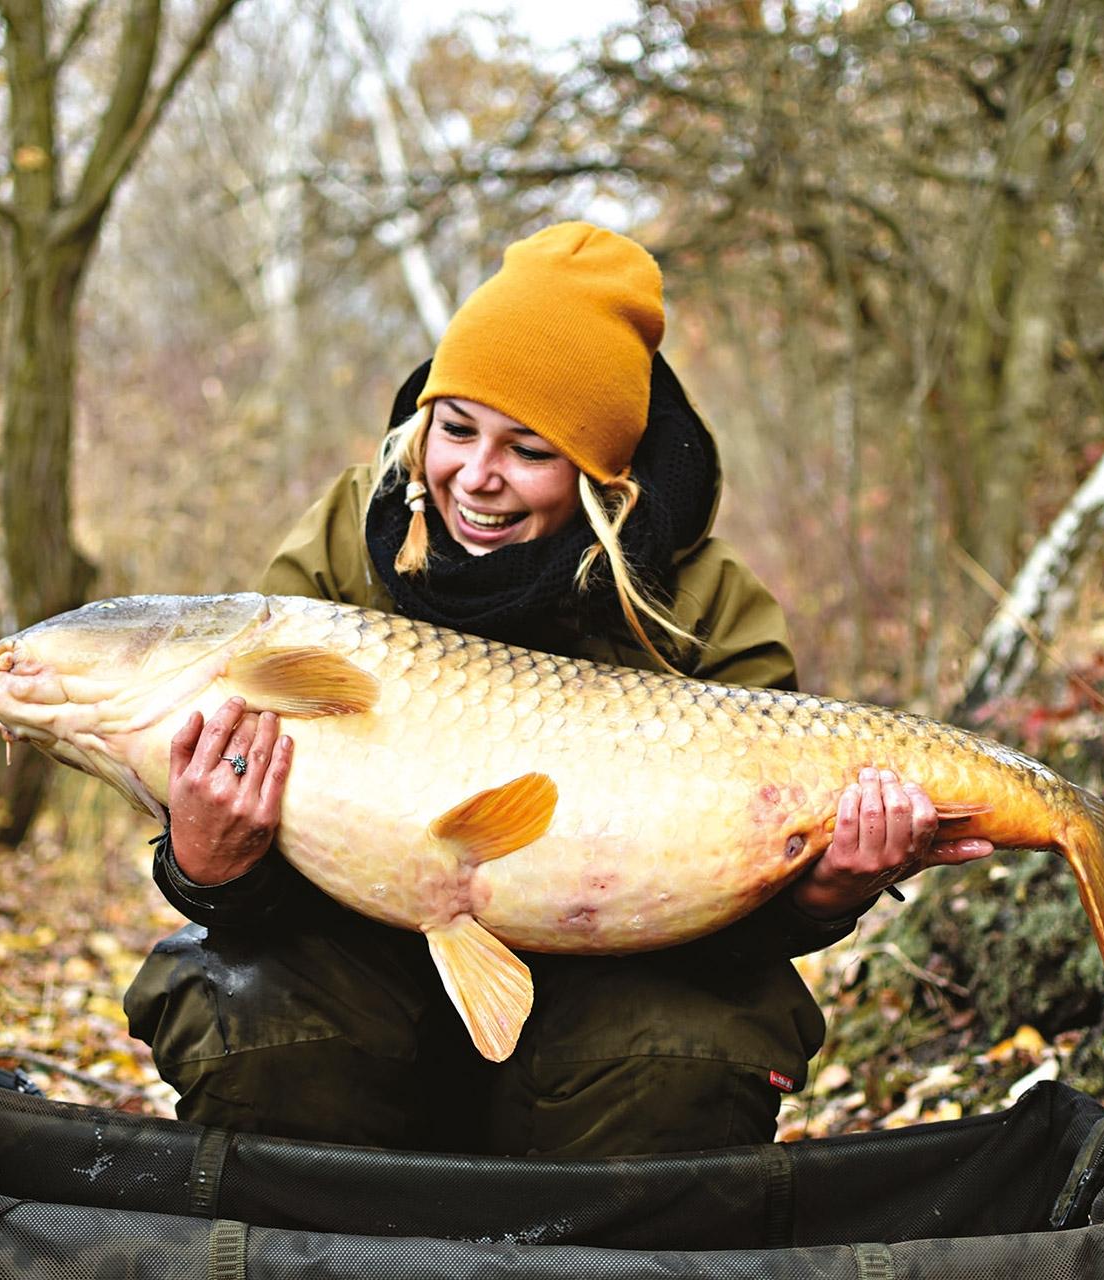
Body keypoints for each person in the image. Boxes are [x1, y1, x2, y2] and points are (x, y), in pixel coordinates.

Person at [124, 223, 993, 1157]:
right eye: (456, 429)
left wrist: (824, 893)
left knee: (694, 1053)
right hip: (362, 959)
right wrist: (206, 867)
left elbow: (743, 917)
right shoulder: (341, 549)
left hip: (616, 980)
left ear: (600, 474)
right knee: (249, 1015)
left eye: (529, 450)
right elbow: (259, 832)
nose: (476, 478)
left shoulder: (704, 605)